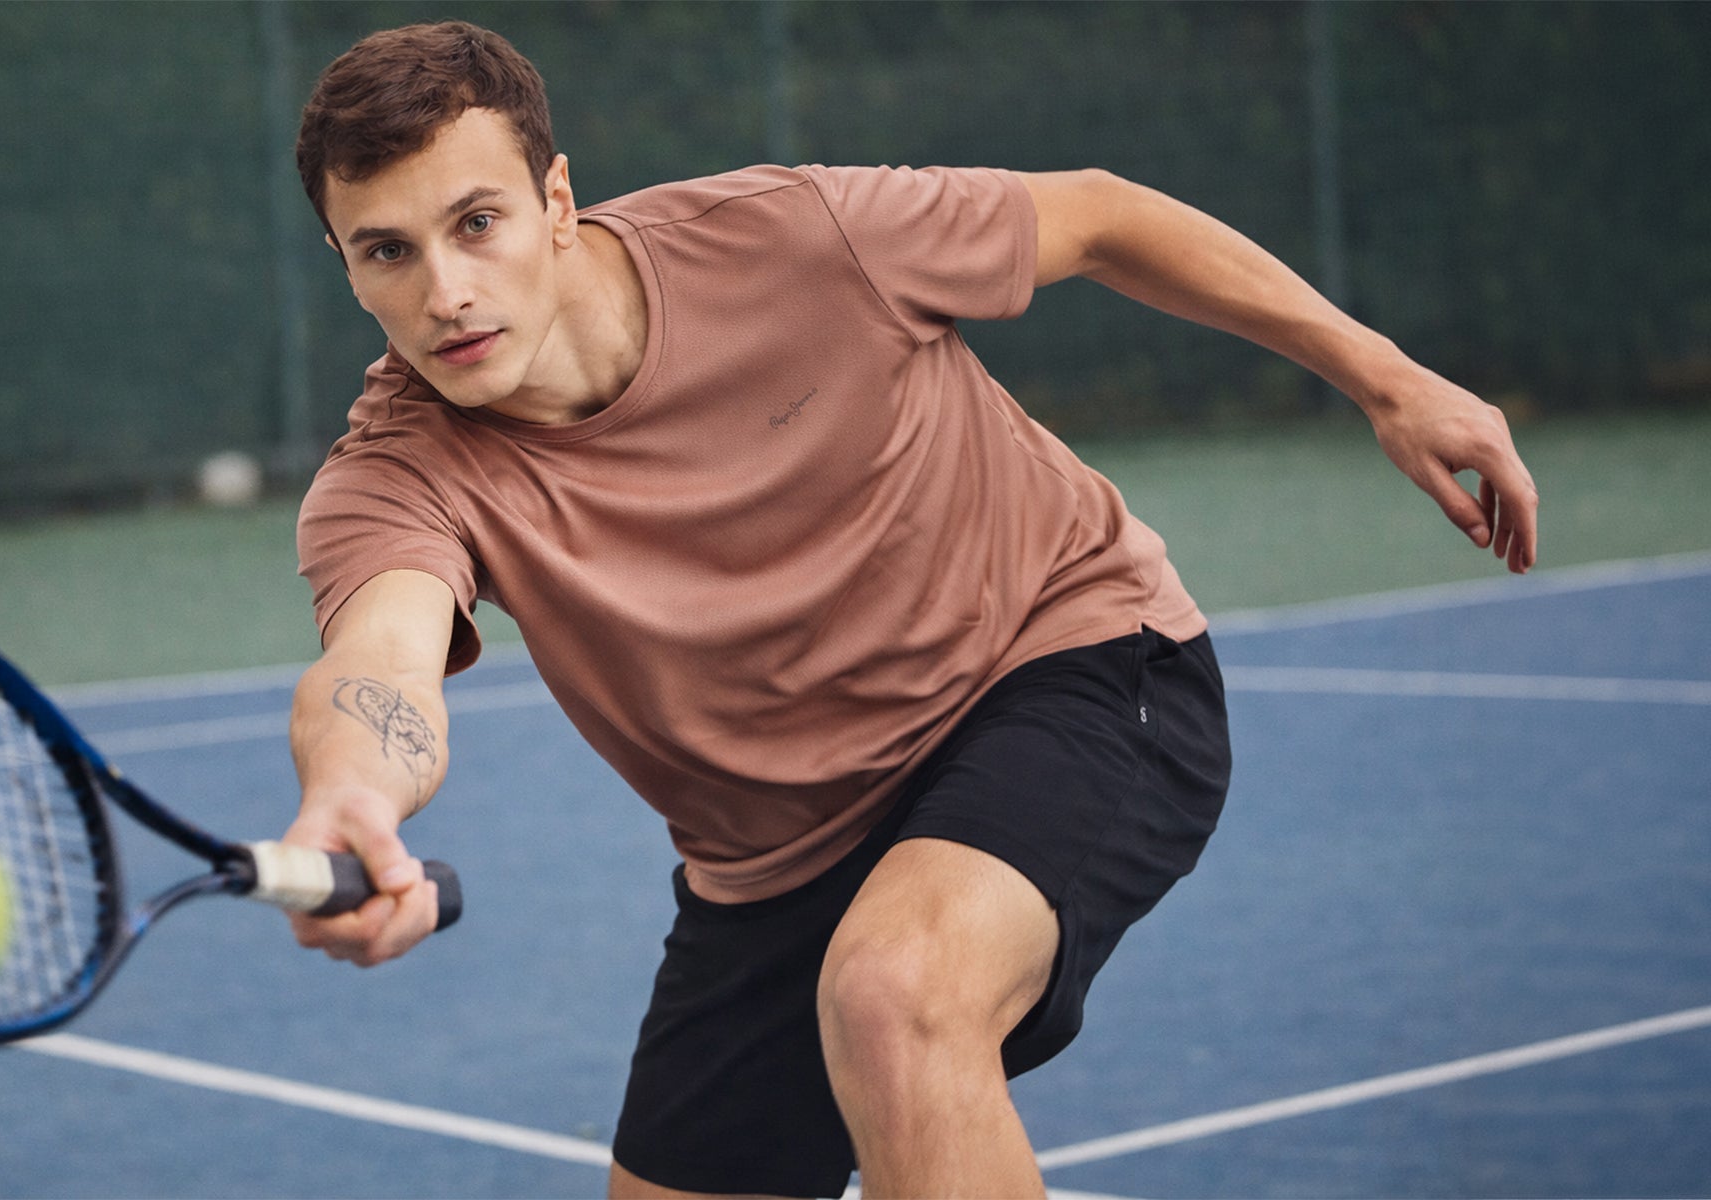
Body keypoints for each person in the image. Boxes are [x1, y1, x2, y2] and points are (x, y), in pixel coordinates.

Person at [277, 20, 1536, 1200]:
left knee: (893, 994)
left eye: (476, 221)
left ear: (556, 203)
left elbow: (1098, 218)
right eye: (387, 250)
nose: (444, 289)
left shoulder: (796, 235)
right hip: (776, 856)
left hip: (1064, 667)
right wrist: (353, 797)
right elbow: (379, 662)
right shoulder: (391, 474)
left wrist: (1384, 377)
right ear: (345, 266)